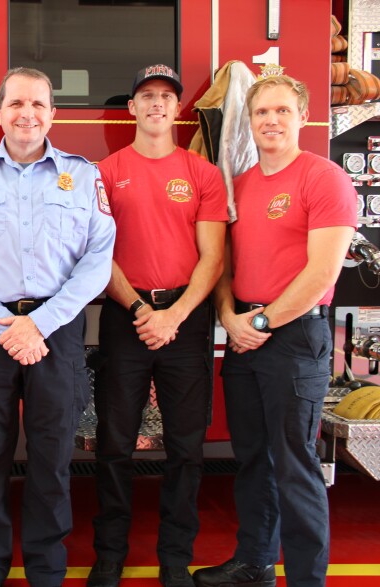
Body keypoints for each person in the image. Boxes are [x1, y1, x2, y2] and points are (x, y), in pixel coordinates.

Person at [0, 67, 116, 587]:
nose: (27, 114)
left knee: (51, 460)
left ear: (53, 114)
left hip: (55, 333)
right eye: (15, 104)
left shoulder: (84, 176)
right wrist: (4, 325)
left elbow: (98, 258)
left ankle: (46, 572)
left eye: (38, 104)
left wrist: (37, 324)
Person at [194, 74, 356, 587]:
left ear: (302, 117)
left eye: (283, 111)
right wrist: (229, 318)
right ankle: (254, 563)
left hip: (293, 338)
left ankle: (308, 579)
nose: (271, 121)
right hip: (245, 333)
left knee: (294, 464)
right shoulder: (240, 184)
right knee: (251, 460)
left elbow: (321, 275)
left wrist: (261, 322)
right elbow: (225, 265)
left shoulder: (324, 178)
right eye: (262, 112)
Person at [88, 65, 228, 587]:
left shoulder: (202, 174)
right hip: (127, 319)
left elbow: (212, 258)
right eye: (146, 96)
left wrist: (173, 315)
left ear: (177, 110)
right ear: (132, 108)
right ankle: (110, 555)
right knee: (114, 444)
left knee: (187, 449)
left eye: (166, 97)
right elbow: (97, 252)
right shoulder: (105, 172)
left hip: (186, 322)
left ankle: (175, 557)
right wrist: (142, 312)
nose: (156, 104)